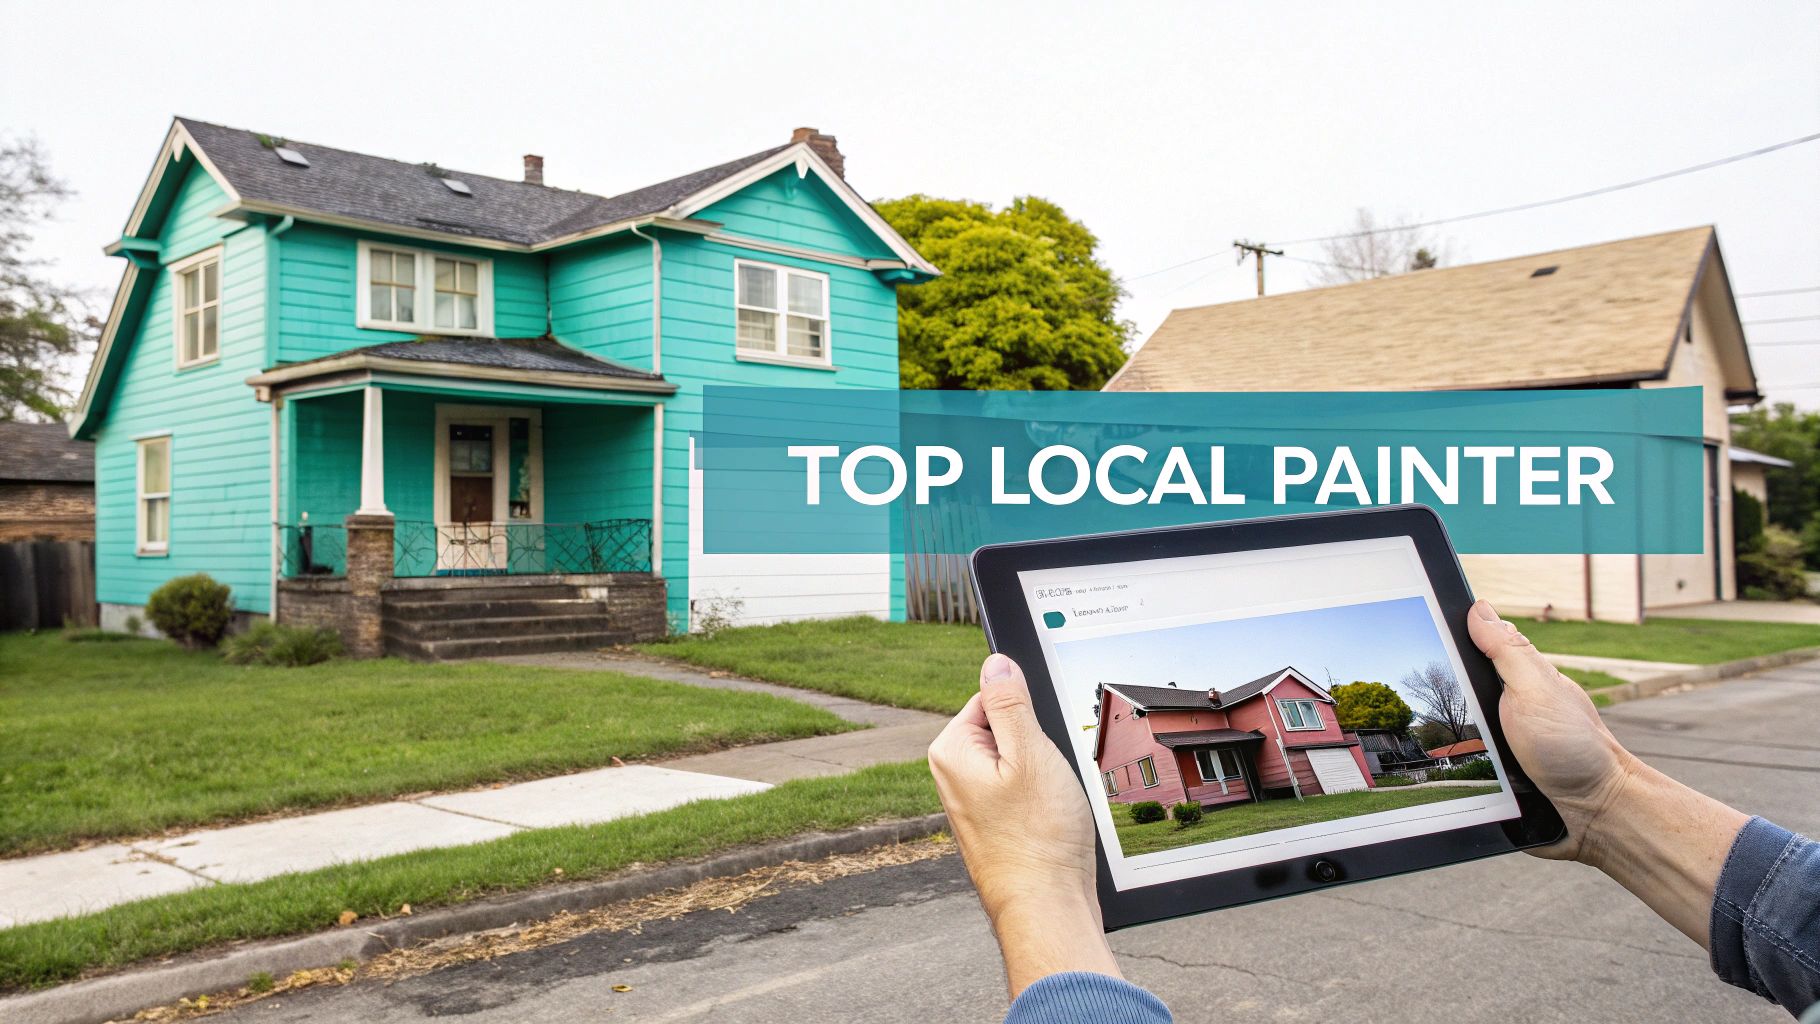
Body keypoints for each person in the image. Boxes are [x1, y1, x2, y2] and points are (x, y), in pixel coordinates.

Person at [928, 599, 1820, 1021]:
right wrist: (1604, 797)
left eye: (1301, 710)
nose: (1300, 717)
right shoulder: (1140, 717)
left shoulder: (1279, 708)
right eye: (1296, 712)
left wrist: (1039, 885)